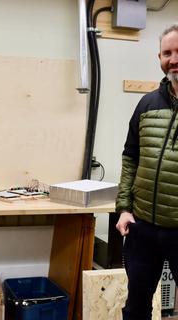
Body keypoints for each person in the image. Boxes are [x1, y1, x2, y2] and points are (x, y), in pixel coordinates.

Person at [116, 24, 178, 320]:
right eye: (168, 53)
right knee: (136, 305)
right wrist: (125, 208)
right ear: (160, 58)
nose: (174, 59)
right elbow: (130, 158)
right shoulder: (147, 103)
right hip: (143, 229)